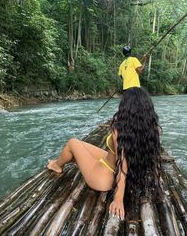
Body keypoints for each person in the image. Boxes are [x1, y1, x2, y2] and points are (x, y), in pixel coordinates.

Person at [47, 87, 161, 220]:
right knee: (81, 144)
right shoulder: (153, 129)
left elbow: (122, 165)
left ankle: (56, 165)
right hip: (111, 164)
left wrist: (118, 199)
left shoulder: (119, 129)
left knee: (72, 142)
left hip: (104, 178)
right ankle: (73, 159)